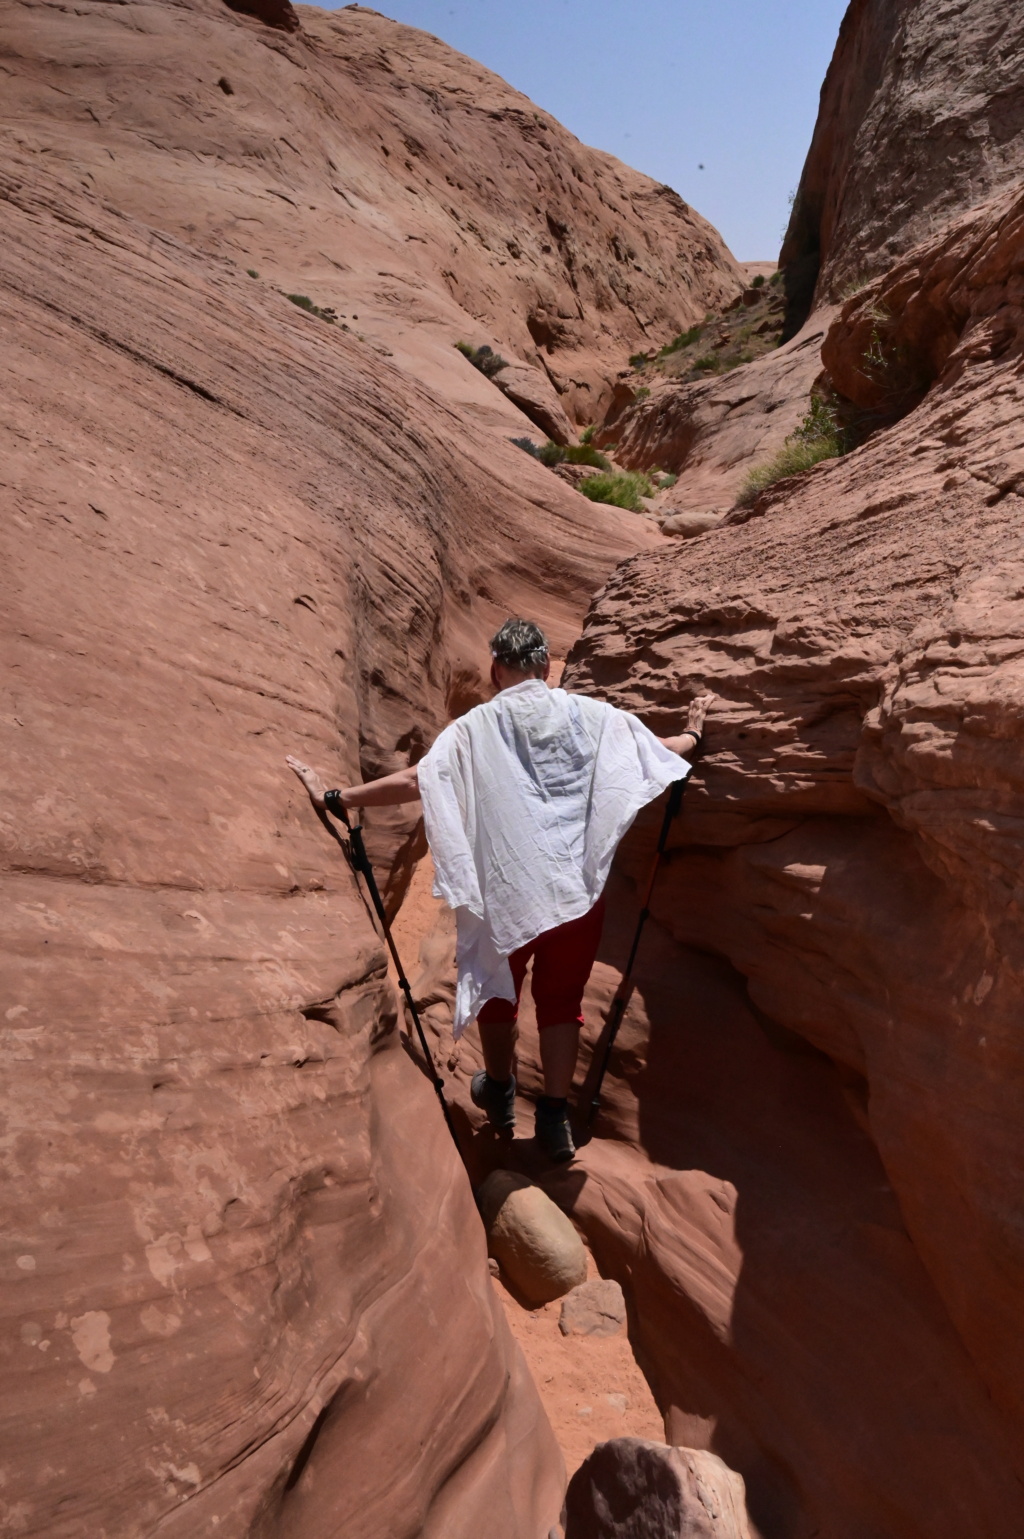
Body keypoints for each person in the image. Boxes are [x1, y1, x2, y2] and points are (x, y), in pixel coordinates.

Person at [288, 618, 713, 1162]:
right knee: (562, 1004)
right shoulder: (590, 715)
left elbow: (417, 779)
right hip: (576, 896)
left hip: (505, 893)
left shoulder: (474, 728)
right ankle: (555, 1120)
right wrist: (695, 735)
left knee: (496, 991)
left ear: (496, 670)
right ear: (546, 667)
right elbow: (654, 749)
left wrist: (337, 797)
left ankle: (501, 1093)